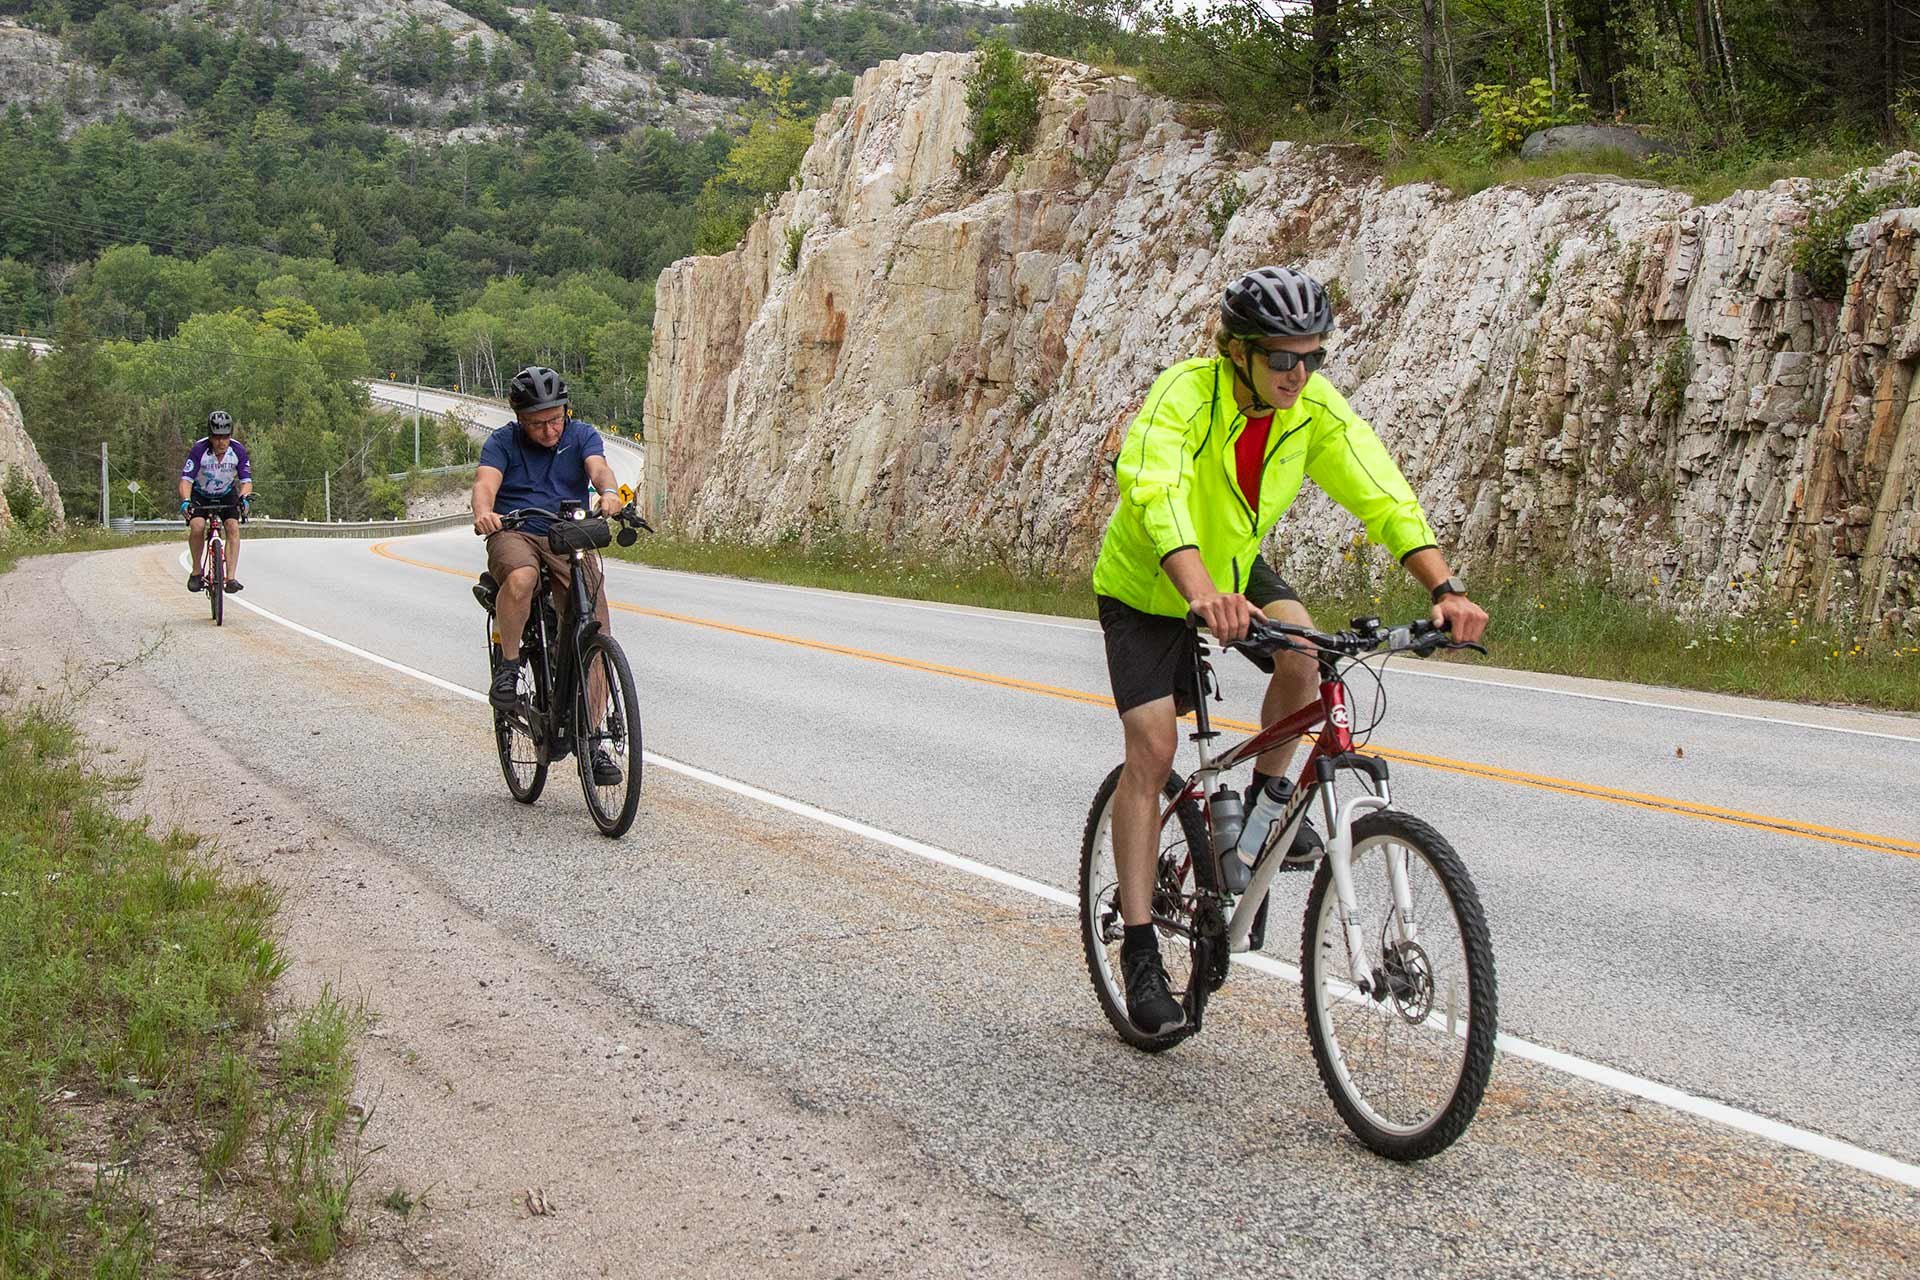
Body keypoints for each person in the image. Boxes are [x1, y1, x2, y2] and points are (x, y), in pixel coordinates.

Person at [1090, 266, 1491, 1037]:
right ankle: (1140, 948)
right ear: (1237, 352)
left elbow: (1379, 487)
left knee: (1305, 657)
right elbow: (1155, 488)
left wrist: (1444, 584)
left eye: (1312, 357)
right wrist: (1199, 587)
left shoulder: (1311, 411)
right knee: (1153, 746)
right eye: (1281, 358)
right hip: (1149, 580)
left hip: (1233, 569)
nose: (1298, 373)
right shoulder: (1187, 393)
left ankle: (1259, 820)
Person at [471, 365, 627, 785]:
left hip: (567, 534)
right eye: (538, 423)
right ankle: (509, 666)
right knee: (520, 578)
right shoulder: (503, 441)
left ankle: (591, 742)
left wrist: (609, 493)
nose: (549, 429)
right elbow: (486, 483)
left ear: (566, 411)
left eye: (555, 418)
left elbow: (599, 469)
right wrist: (485, 512)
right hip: (516, 530)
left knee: (592, 630)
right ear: (521, 420)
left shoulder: (582, 435)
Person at [179, 410, 253, 592]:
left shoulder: (238, 450)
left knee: (232, 527)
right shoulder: (199, 449)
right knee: (197, 526)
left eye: (225, 437)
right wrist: (186, 501)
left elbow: (246, 482)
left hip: (226, 492)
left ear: (230, 435)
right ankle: (196, 572)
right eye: (216, 437)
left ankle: (231, 578)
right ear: (210, 436)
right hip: (201, 493)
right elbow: (186, 480)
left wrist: (244, 499)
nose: (221, 442)